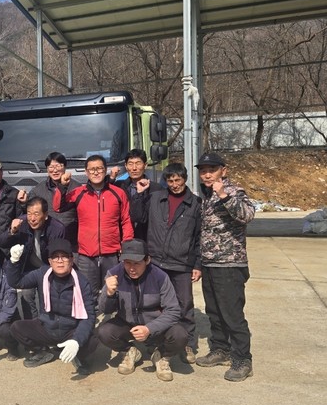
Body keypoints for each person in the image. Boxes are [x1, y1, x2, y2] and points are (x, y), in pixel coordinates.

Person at [194, 152, 256, 382]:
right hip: (210, 263)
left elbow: (247, 215)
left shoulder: (233, 191)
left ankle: (242, 360)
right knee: (214, 312)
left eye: (212, 170)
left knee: (232, 314)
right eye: (203, 170)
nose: (207, 174)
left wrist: (223, 195)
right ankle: (221, 349)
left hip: (230, 264)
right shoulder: (206, 196)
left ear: (224, 170)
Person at [137, 162, 202, 364]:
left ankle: (187, 343)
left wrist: (197, 265)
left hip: (181, 263)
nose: (174, 184)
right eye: (170, 181)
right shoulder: (155, 198)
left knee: (184, 304)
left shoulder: (195, 204)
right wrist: (140, 195)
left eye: (178, 180)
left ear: (185, 179)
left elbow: (199, 237)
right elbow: (138, 218)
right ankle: (156, 341)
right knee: (154, 304)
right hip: (156, 262)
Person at [96, 239, 185, 381]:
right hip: (127, 323)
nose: (131, 268)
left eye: (137, 263)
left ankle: (162, 356)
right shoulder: (113, 274)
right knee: (104, 332)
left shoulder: (160, 276)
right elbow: (104, 310)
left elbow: (173, 311)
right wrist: (109, 294)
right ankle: (129, 351)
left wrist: (149, 328)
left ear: (147, 260)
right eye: (127, 262)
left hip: (155, 324)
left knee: (180, 335)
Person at [6, 238, 98, 375]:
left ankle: (80, 357)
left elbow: (89, 316)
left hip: (71, 330)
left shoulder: (82, 282)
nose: (60, 261)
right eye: (55, 257)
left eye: (64, 257)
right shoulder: (42, 274)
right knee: (16, 327)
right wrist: (14, 262)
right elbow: (17, 282)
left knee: (92, 340)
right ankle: (42, 352)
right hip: (47, 328)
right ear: (50, 261)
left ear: (71, 260)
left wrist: (76, 341)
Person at [53, 154, 133, 302]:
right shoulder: (79, 192)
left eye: (99, 168)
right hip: (86, 254)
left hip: (111, 253)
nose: (96, 172)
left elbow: (126, 220)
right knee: (87, 293)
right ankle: (90, 317)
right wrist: (62, 186)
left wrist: (127, 245)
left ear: (105, 170)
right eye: (92, 169)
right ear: (86, 172)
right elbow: (58, 207)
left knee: (113, 291)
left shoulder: (118, 193)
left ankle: (111, 316)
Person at [0, 197, 66, 319]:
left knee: (47, 298)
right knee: (26, 295)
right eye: (29, 214)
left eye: (36, 214)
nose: (32, 218)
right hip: (27, 267)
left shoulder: (57, 229)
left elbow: (59, 255)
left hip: (47, 268)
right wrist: (12, 231)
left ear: (45, 215)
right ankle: (30, 323)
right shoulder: (21, 223)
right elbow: (2, 243)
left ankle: (47, 322)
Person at [28, 152, 78, 247]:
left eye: (58, 166)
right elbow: (28, 211)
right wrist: (23, 202)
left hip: (71, 241)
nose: (55, 170)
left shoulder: (76, 188)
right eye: (51, 167)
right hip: (47, 240)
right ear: (47, 169)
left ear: (65, 167)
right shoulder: (38, 190)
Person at [112, 149, 163, 241]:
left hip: (148, 238)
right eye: (130, 164)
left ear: (145, 165)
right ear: (126, 166)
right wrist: (111, 178)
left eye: (138, 163)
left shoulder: (156, 189)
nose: (134, 168)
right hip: (123, 238)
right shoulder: (118, 186)